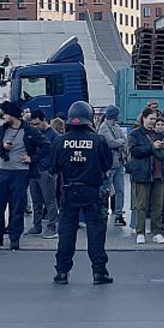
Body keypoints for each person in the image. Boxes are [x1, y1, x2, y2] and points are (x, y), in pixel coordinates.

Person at [52, 101, 114, 285]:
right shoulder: (98, 140)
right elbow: (107, 164)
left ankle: (62, 272)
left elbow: (53, 167)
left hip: (69, 191)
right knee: (96, 234)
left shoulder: (60, 141)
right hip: (92, 191)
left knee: (66, 234)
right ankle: (99, 272)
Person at [0, 101, 50, 250]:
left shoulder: (29, 131)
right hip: (3, 170)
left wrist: (32, 158)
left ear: (12, 115)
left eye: (5, 114)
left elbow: (46, 145)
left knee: (17, 206)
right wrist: (2, 147)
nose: (3, 116)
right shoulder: (2, 130)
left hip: (21, 172)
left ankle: (14, 238)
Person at [127, 107, 164, 245]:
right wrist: (152, 147)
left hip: (159, 173)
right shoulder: (135, 134)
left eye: (155, 119)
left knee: (158, 204)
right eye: (150, 119)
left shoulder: (160, 134)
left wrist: (163, 146)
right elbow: (135, 151)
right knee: (142, 205)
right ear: (143, 118)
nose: (153, 122)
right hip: (143, 173)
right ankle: (140, 231)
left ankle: (156, 232)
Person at [26, 110, 60, 239]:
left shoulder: (53, 135)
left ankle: (52, 227)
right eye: (33, 124)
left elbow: (55, 154)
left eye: (37, 124)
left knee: (49, 200)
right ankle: (37, 225)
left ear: (44, 120)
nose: (35, 127)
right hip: (35, 169)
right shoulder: (36, 134)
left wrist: (49, 167)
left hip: (45, 171)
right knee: (36, 200)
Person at [98, 105, 128, 226]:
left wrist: (120, 142)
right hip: (109, 164)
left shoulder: (115, 127)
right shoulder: (103, 128)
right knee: (106, 190)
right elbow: (111, 143)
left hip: (119, 163)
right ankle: (104, 212)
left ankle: (118, 214)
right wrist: (120, 142)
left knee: (120, 190)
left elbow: (124, 139)